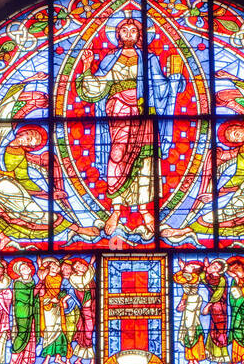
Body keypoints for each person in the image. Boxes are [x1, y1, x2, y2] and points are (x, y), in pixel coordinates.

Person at [75, 15, 183, 240]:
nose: (128, 34)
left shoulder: (150, 59)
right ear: (117, 34)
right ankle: (115, 209)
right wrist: (86, 67)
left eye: (133, 31)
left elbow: (161, 87)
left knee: (146, 159)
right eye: (124, 30)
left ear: (140, 35)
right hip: (118, 110)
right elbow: (98, 85)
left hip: (144, 109)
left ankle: (145, 211)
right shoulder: (109, 59)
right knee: (117, 154)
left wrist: (174, 79)